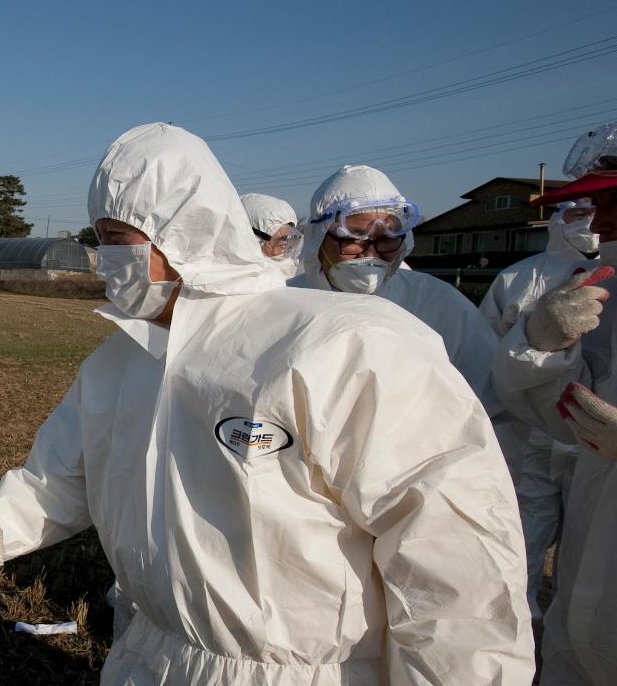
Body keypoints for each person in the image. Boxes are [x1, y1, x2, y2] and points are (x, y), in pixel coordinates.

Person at [0, 123, 534, 686]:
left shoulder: (342, 346)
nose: (104, 259)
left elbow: (457, 572)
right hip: (148, 671)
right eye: (98, 237)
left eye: (117, 239)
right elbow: (47, 490)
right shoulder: (120, 364)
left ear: (183, 231)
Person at [491, 119, 617, 686]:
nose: (597, 217)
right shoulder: (596, 284)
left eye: (611, 199)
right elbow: (529, 400)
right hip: (589, 599)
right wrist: (536, 344)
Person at [288, 165, 504, 421]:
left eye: (387, 239)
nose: (371, 254)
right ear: (319, 237)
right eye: (355, 238)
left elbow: (490, 401)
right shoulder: (288, 301)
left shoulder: (437, 303)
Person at [480, 199, 598, 623]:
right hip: (525, 428)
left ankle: (574, 619)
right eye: (576, 212)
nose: (589, 221)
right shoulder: (518, 277)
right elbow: (484, 347)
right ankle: (516, 614)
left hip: (596, 435)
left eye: (598, 208)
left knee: (591, 542)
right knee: (522, 528)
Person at [240, 192, 303, 279]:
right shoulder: (238, 281)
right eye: (281, 244)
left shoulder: (299, 276)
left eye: (291, 243)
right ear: (253, 240)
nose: (285, 253)